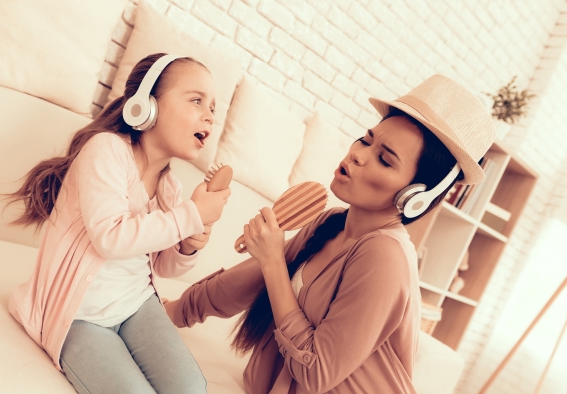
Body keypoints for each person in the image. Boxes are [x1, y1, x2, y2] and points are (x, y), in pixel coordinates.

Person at [163, 74, 496, 393]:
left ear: (415, 197)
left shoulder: (385, 258)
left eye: (384, 159)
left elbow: (317, 371)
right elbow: (246, 281)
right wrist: (176, 310)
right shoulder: (331, 222)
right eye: (366, 140)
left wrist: (273, 261)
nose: (358, 154)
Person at [6, 53, 231, 394]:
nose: (209, 116)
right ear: (146, 105)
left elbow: (165, 267)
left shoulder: (171, 187)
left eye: (213, 107)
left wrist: (187, 244)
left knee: (190, 389)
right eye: (197, 100)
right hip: (81, 317)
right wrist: (191, 216)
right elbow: (110, 238)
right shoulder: (106, 150)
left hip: (137, 304)